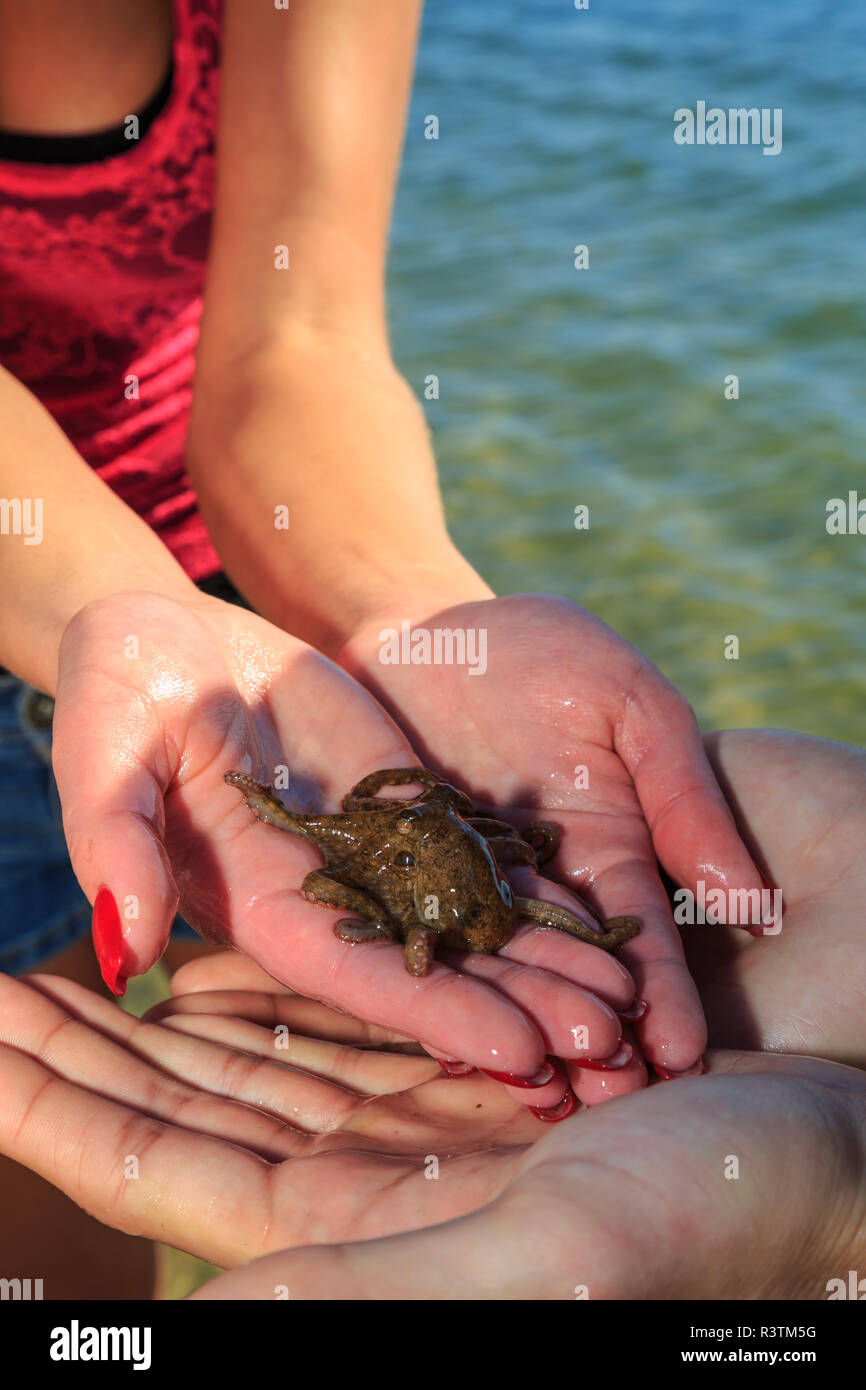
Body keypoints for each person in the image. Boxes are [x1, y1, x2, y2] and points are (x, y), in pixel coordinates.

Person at [0, 2, 764, 1296]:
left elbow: (296, 349)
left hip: (237, 608)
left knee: (215, 1082)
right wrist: (111, 616)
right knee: (44, 1152)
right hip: (109, 601)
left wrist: (417, 631)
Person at [0, 729, 863, 1299]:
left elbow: (509, 866)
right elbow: (320, 851)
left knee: (249, 959)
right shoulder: (395, 843)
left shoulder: (474, 851)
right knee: (287, 911)